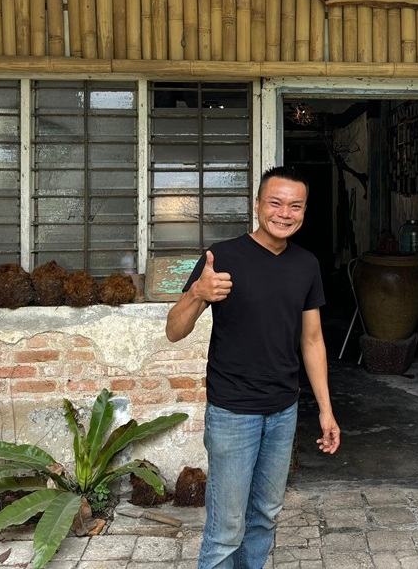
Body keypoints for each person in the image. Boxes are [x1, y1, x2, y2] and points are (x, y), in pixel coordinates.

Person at [166, 166, 341, 569]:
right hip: (232, 412)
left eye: (294, 206)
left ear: (304, 211)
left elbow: (311, 340)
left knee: (264, 517)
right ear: (258, 204)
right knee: (226, 528)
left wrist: (326, 411)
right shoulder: (222, 257)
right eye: (275, 203)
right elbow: (174, 330)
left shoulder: (306, 264)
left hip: (283, 410)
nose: (284, 213)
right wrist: (196, 293)